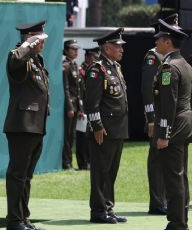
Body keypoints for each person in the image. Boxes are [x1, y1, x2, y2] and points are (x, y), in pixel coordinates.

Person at [152, 18, 192, 230]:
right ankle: (182, 219)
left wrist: (164, 134)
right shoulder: (185, 65)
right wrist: (187, 119)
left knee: (173, 177)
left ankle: (177, 223)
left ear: (168, 42)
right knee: (181, 175)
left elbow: (167, 105)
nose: (157, 44)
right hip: (185, 124)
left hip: (173, 128)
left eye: (159, 40)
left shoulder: (169, 68)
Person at [3, 20, 48, 230]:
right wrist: (28, 43)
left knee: (26, 177)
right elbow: (15, 61)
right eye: (40, 40)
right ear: (30, 37)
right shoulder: (18, 56)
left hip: (36, 126)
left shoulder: (37, 61)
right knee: (17, 175)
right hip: (21, 126)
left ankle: (23, 218)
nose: (43, 44)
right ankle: (14, 221)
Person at [85, 28, 128, 224]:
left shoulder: (114, 68)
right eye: (118, 46)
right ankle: (98, 211)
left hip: (117, 129)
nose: (121, 50)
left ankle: (108, 208)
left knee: (111, 172)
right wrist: (97, 126)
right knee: (101, 172)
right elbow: (91, 102)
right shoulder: (97, 69)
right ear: (107, 47)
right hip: (104, 130)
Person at [140, 13, 181, 216]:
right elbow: (148, 90)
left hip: (168, 117)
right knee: (157, 161)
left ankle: (164, 199)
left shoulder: (170, 58)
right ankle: (157, 202)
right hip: (157, 117)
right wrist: (150, 119)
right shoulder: (152, 57)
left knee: (167, 161)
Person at [62, 39, 86, 170]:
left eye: (77, 49)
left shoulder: (75, 65)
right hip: (70, 106)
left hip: (76, 105)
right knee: (67, 136)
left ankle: (70, 162)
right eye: (73, 49)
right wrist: (70, 107)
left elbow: (78, 90)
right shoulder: (65, 66)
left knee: (73, 136)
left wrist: (81, 109)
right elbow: (66, 88)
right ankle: (66, 163)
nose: (76, 51)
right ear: (66, 50)